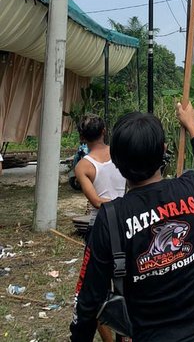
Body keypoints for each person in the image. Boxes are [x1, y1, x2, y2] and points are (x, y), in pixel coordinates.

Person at [70, 102, 194, 342]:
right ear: (163, 150)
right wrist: (191, 126)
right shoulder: (193, 189)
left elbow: (88, 301)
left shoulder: (110, 219)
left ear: (116, 161)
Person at [74, 114, 126, 342]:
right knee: (127, 285)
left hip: (100, 229)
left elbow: (96, 201)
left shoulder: (84, 166)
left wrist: (113, 204)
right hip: (127, 222)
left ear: (83, 137)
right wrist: (126, 203)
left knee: (95, 291)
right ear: (104, 130)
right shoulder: (121, 153)